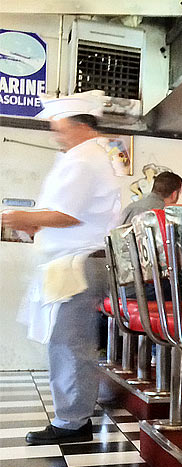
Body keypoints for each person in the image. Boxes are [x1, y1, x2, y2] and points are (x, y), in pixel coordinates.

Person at [4, 90, 121, 445]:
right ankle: (73, 413)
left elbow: (67, 215)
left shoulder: (86, 159)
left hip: (78, 264)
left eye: (59, 127)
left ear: (78, 126)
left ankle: (73, 421)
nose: (56, 134)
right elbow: (65, 213)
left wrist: (17, 215)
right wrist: (34, 223)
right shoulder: (84, 156)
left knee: (71, 343)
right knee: (65, 341)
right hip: (71, 263)